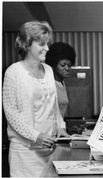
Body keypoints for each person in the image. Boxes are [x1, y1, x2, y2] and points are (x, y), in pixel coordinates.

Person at [2, 20, 70, 177]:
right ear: (27, 44)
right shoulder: (13, 72)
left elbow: (54, 107)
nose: (47, 48)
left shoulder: (48, 70)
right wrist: (36, 136)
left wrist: (61, 127)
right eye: (42, 44)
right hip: (25, 153)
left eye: (47, 43)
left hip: (49, 149)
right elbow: (11, 114)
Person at [45, 42, 76, 117]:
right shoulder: (49, 85)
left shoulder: (62, 83)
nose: (67, 68)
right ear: (53, 64)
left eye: (69, 65)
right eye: (63, 65)